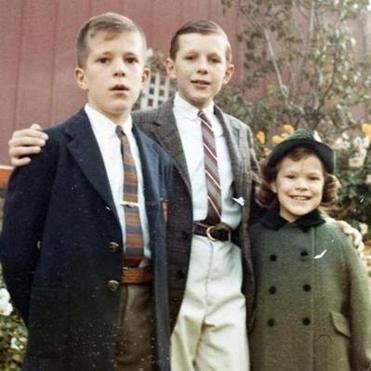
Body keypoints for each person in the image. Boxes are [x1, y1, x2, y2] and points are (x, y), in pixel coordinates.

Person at [6, 19, 365, 371]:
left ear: (228, 72)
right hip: (176, 265)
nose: (202, 70)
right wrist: (30, 140)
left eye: (213, 61)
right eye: (191, 58)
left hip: (226, 263)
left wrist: (326, 222)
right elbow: (94, 140)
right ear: (169, 67)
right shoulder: (143, 124)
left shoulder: (238, 132)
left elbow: (262, 197)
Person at [0, 12, 172, 371]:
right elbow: (16, 253)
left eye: (130, 60)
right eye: (104, 60)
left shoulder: (157, 158)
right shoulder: (49, 149)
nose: (119, 70)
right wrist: (51, 321)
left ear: (144, 76)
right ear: (82, 76)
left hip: (142, 318)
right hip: (71, 324)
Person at [249, 128, 371, 371]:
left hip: (327, 359)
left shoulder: (339, 238)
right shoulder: (254, 238)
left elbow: (362, 312)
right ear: (273, 183)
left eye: (312, 178)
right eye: (291, 177)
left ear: (325, 184)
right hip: (267, 355)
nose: (301, 186)